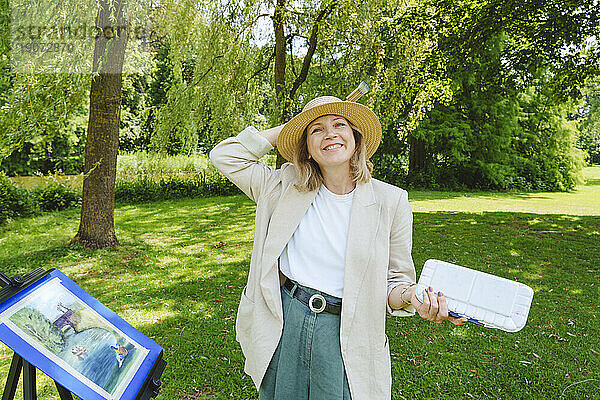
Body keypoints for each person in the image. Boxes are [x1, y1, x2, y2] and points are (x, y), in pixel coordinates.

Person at [209, 95, 466, 400]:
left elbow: (396, 281)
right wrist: (289, 130)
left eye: (339, 125)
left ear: (356, 139)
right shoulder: (282, 186)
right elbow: (225, 156)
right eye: (316, 130)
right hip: (285, 319)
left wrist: (411, 296)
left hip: (346, 331)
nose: (330, 133)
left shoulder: (391, 201)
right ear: (306, 148)